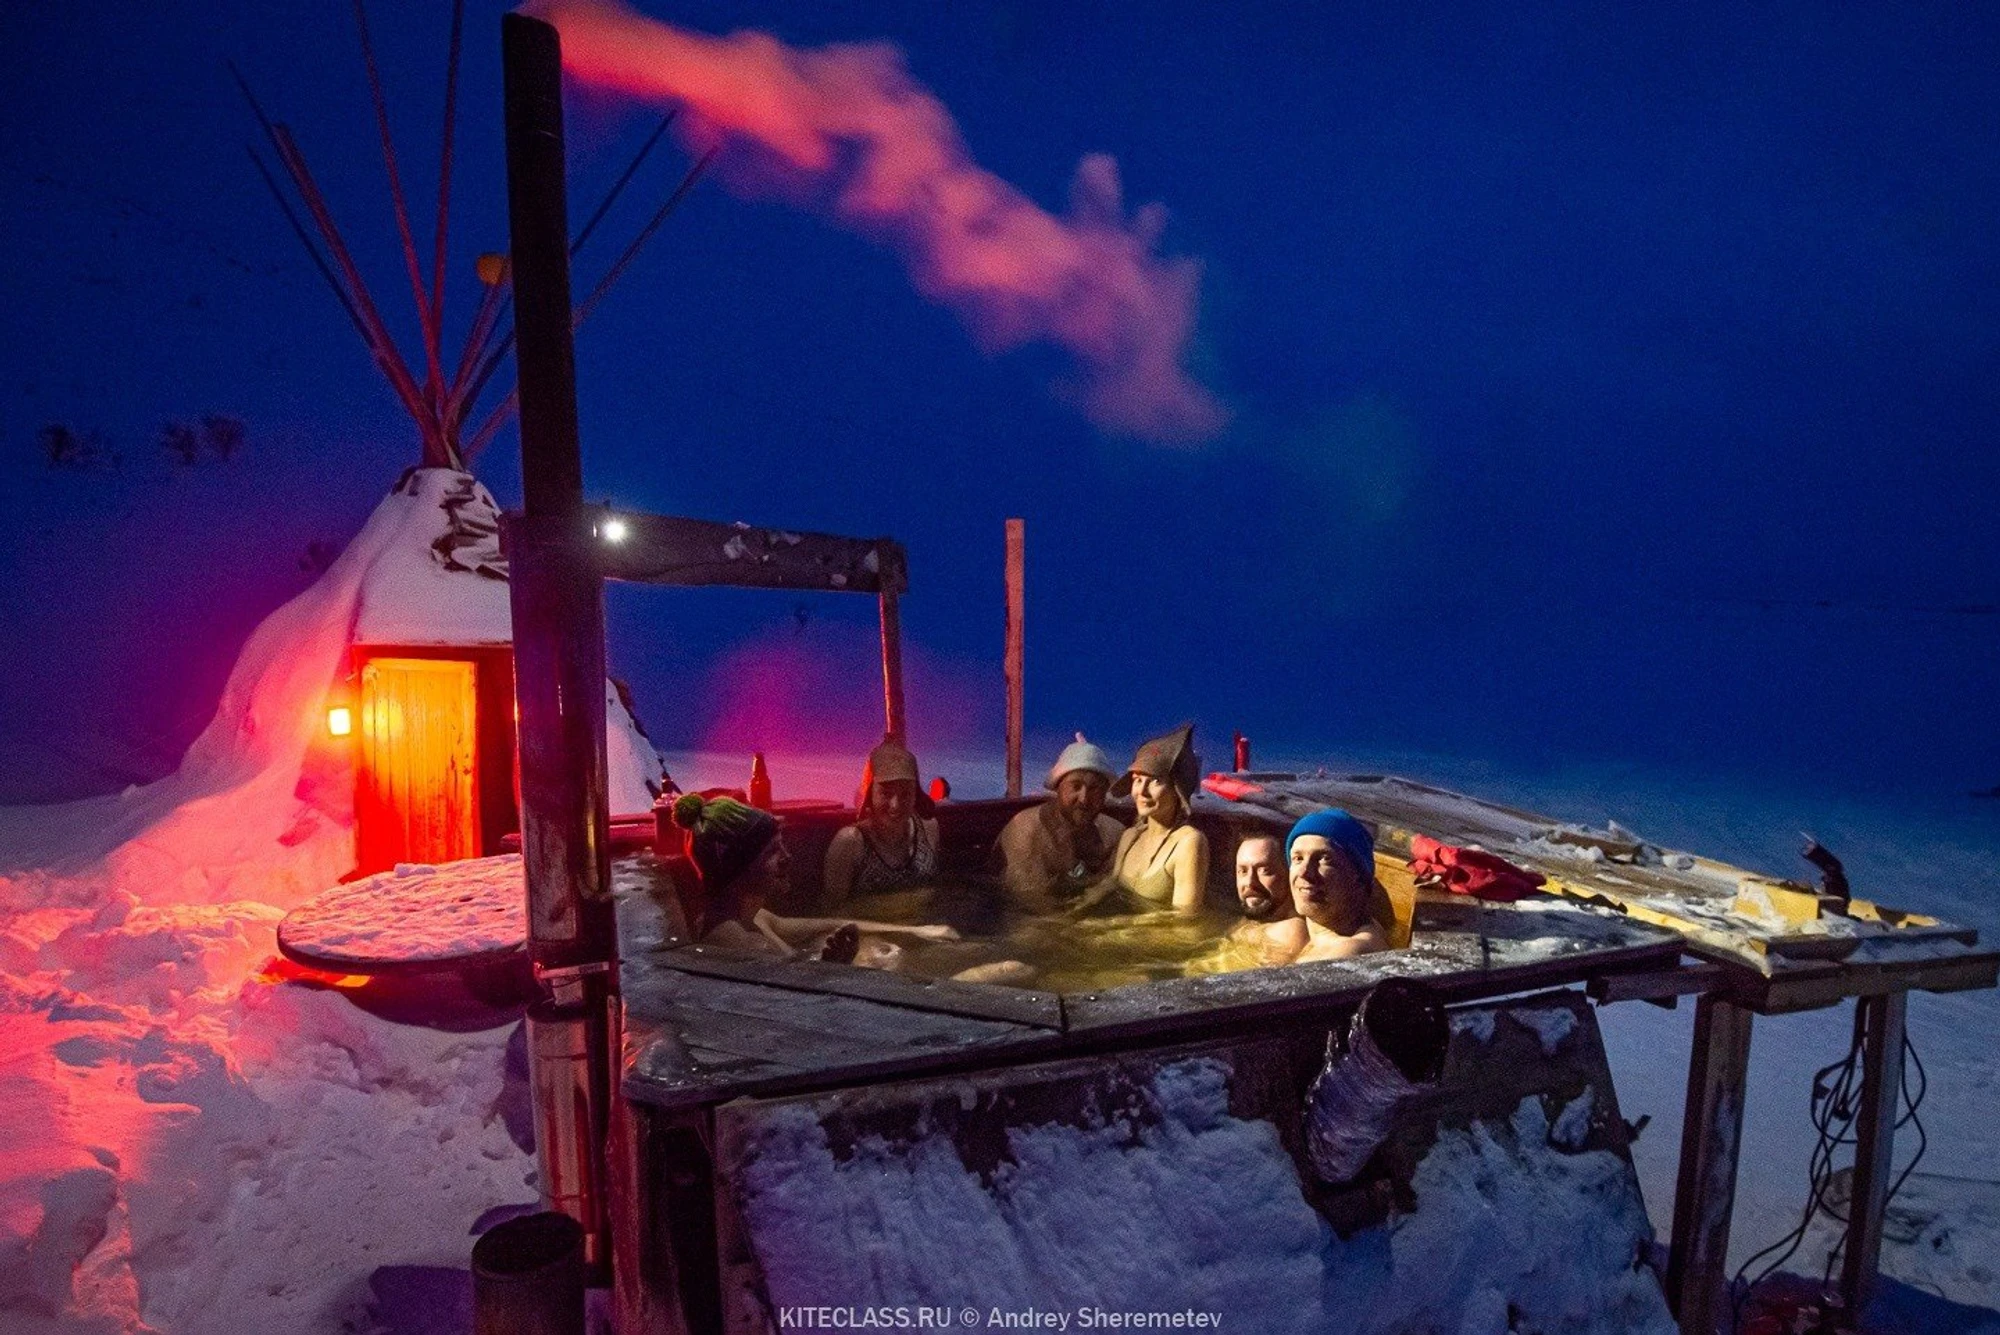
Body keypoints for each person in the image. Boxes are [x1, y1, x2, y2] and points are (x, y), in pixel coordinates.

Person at [672, 793, 955, 960]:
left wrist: (917, 931)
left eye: (782, 845)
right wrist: (832, 967)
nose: (787, 857)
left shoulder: (753, 917)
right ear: (737, 868)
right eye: (772, 851)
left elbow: (827, 924)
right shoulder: (739, 944)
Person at [991, 733, 1126, 914]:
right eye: (1075, 786)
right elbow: (1032, 908)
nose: (1084, 799)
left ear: (1104, 794)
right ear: (1057, 787)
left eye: (1094, 789)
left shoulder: (1114, 835)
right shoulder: (1026, 831)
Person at [1095, 724, 1209, 916]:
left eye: (1155, 781)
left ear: (1177, 790)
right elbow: (1109, 889)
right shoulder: (1129, 837)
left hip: (1159, 942)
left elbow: (1185, 921)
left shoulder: (1188, 843)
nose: (1142, 792)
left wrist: (1114, 930)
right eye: (1137, 780)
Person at [823, 738, 941, 904]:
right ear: (870, 794)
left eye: (905, 793)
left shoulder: (929, 829)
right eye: (886, 793)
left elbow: (936, 893)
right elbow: (833, 912)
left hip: (926, 926)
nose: (895, 805)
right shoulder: (850, 842)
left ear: (916, 794)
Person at [1286, 809, 1388, 962]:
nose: (1304, 872)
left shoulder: (1352, 951)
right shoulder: (1313, 936)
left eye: (1324, 859)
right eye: (1298, 858)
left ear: (1357, 876)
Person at [1227, 832, 1309, 965]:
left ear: (1290, 874)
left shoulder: (1291, 930)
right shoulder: (1251, 923)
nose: (1249, 882)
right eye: (1243, 871)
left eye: (1264, 871)